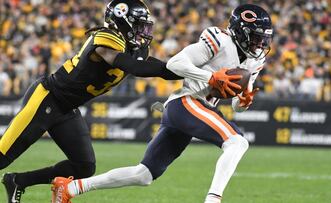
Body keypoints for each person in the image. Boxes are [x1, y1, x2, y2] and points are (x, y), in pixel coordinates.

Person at [0, 0, 225, 202]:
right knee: (2, 155)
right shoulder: (106, 38)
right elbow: (136, 67)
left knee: (84, 166)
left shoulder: (132, 46)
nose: (144, 32)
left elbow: (163, 69)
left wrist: (199, 72)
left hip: (67, 108)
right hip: (47, 99)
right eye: (138, 25)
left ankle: (18, 181)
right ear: (122, 22)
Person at [51, 4, 273, 203]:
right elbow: (176, 63)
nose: (260, 44)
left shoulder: (256, 60)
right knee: (237, 142)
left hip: (194, 109)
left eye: (263, 39)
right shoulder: (219, 40)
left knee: (144, 175)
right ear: (240, 32)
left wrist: (242, 102)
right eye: (255, 38)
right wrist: (210, 78)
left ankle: (70, 188)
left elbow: (236, 105)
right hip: (186, 102)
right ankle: (213, 200)